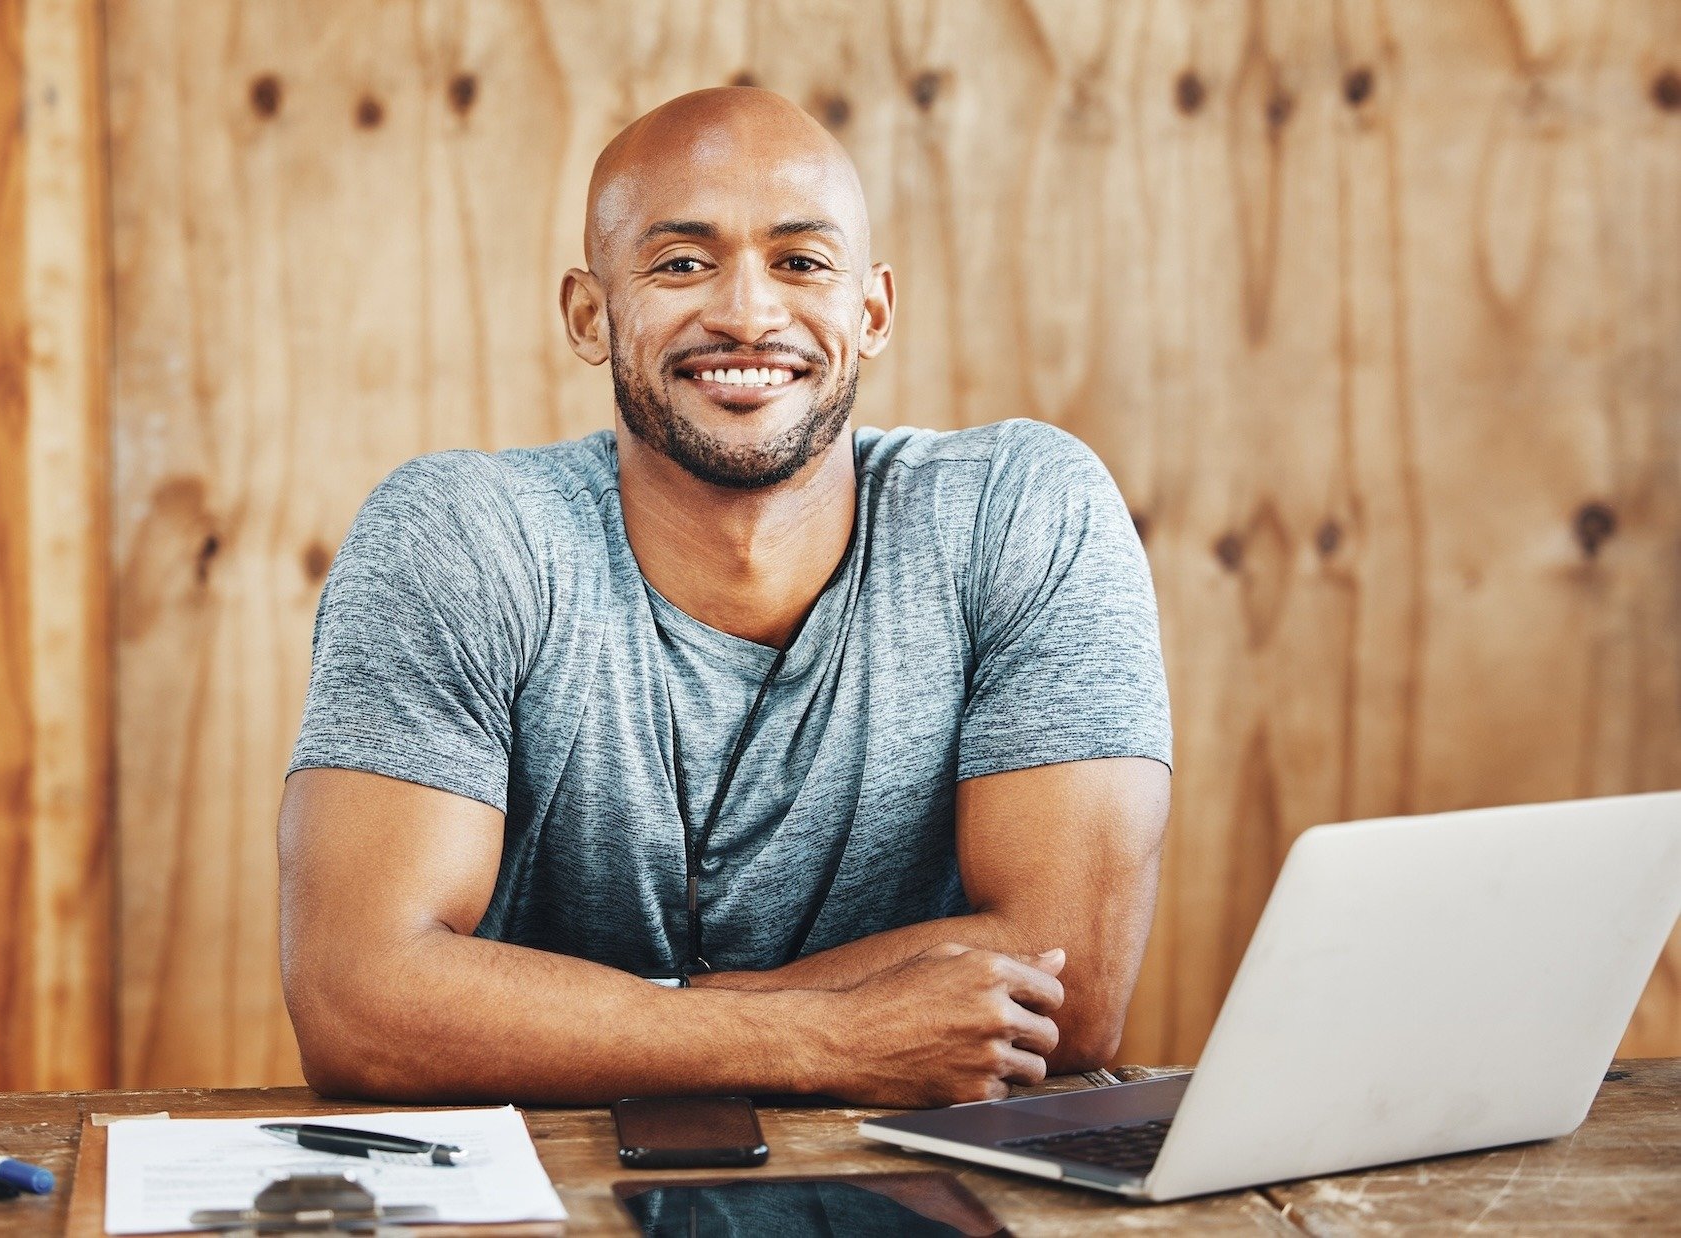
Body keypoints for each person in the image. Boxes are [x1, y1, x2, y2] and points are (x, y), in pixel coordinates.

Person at [278, 87, 1171, 1107]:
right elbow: (360, 1002)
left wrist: (550, 1016)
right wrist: (827, 1039)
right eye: (681, 263)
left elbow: (1070, 992)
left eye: (800, 262)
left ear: (869, 312)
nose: (747, 312)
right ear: (588, 313)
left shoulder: (1025, 510)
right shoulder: (460, 533)